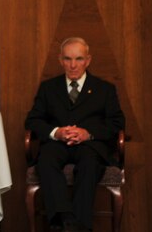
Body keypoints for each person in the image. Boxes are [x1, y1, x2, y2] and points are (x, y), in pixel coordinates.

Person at [25, 37, 125, 232]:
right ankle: (67, 220)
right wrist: (56, 132)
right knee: (45, 161)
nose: (73, 65)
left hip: (90, 147)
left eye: (79, 59)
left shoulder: (105, 89)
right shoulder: (48, 88)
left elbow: (117, 123)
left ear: (88, 60)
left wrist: (88, 134)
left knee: (89, 165)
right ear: (60, 60)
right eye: (67, 59)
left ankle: (74, 225)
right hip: (56, 145)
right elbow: (32, 121)